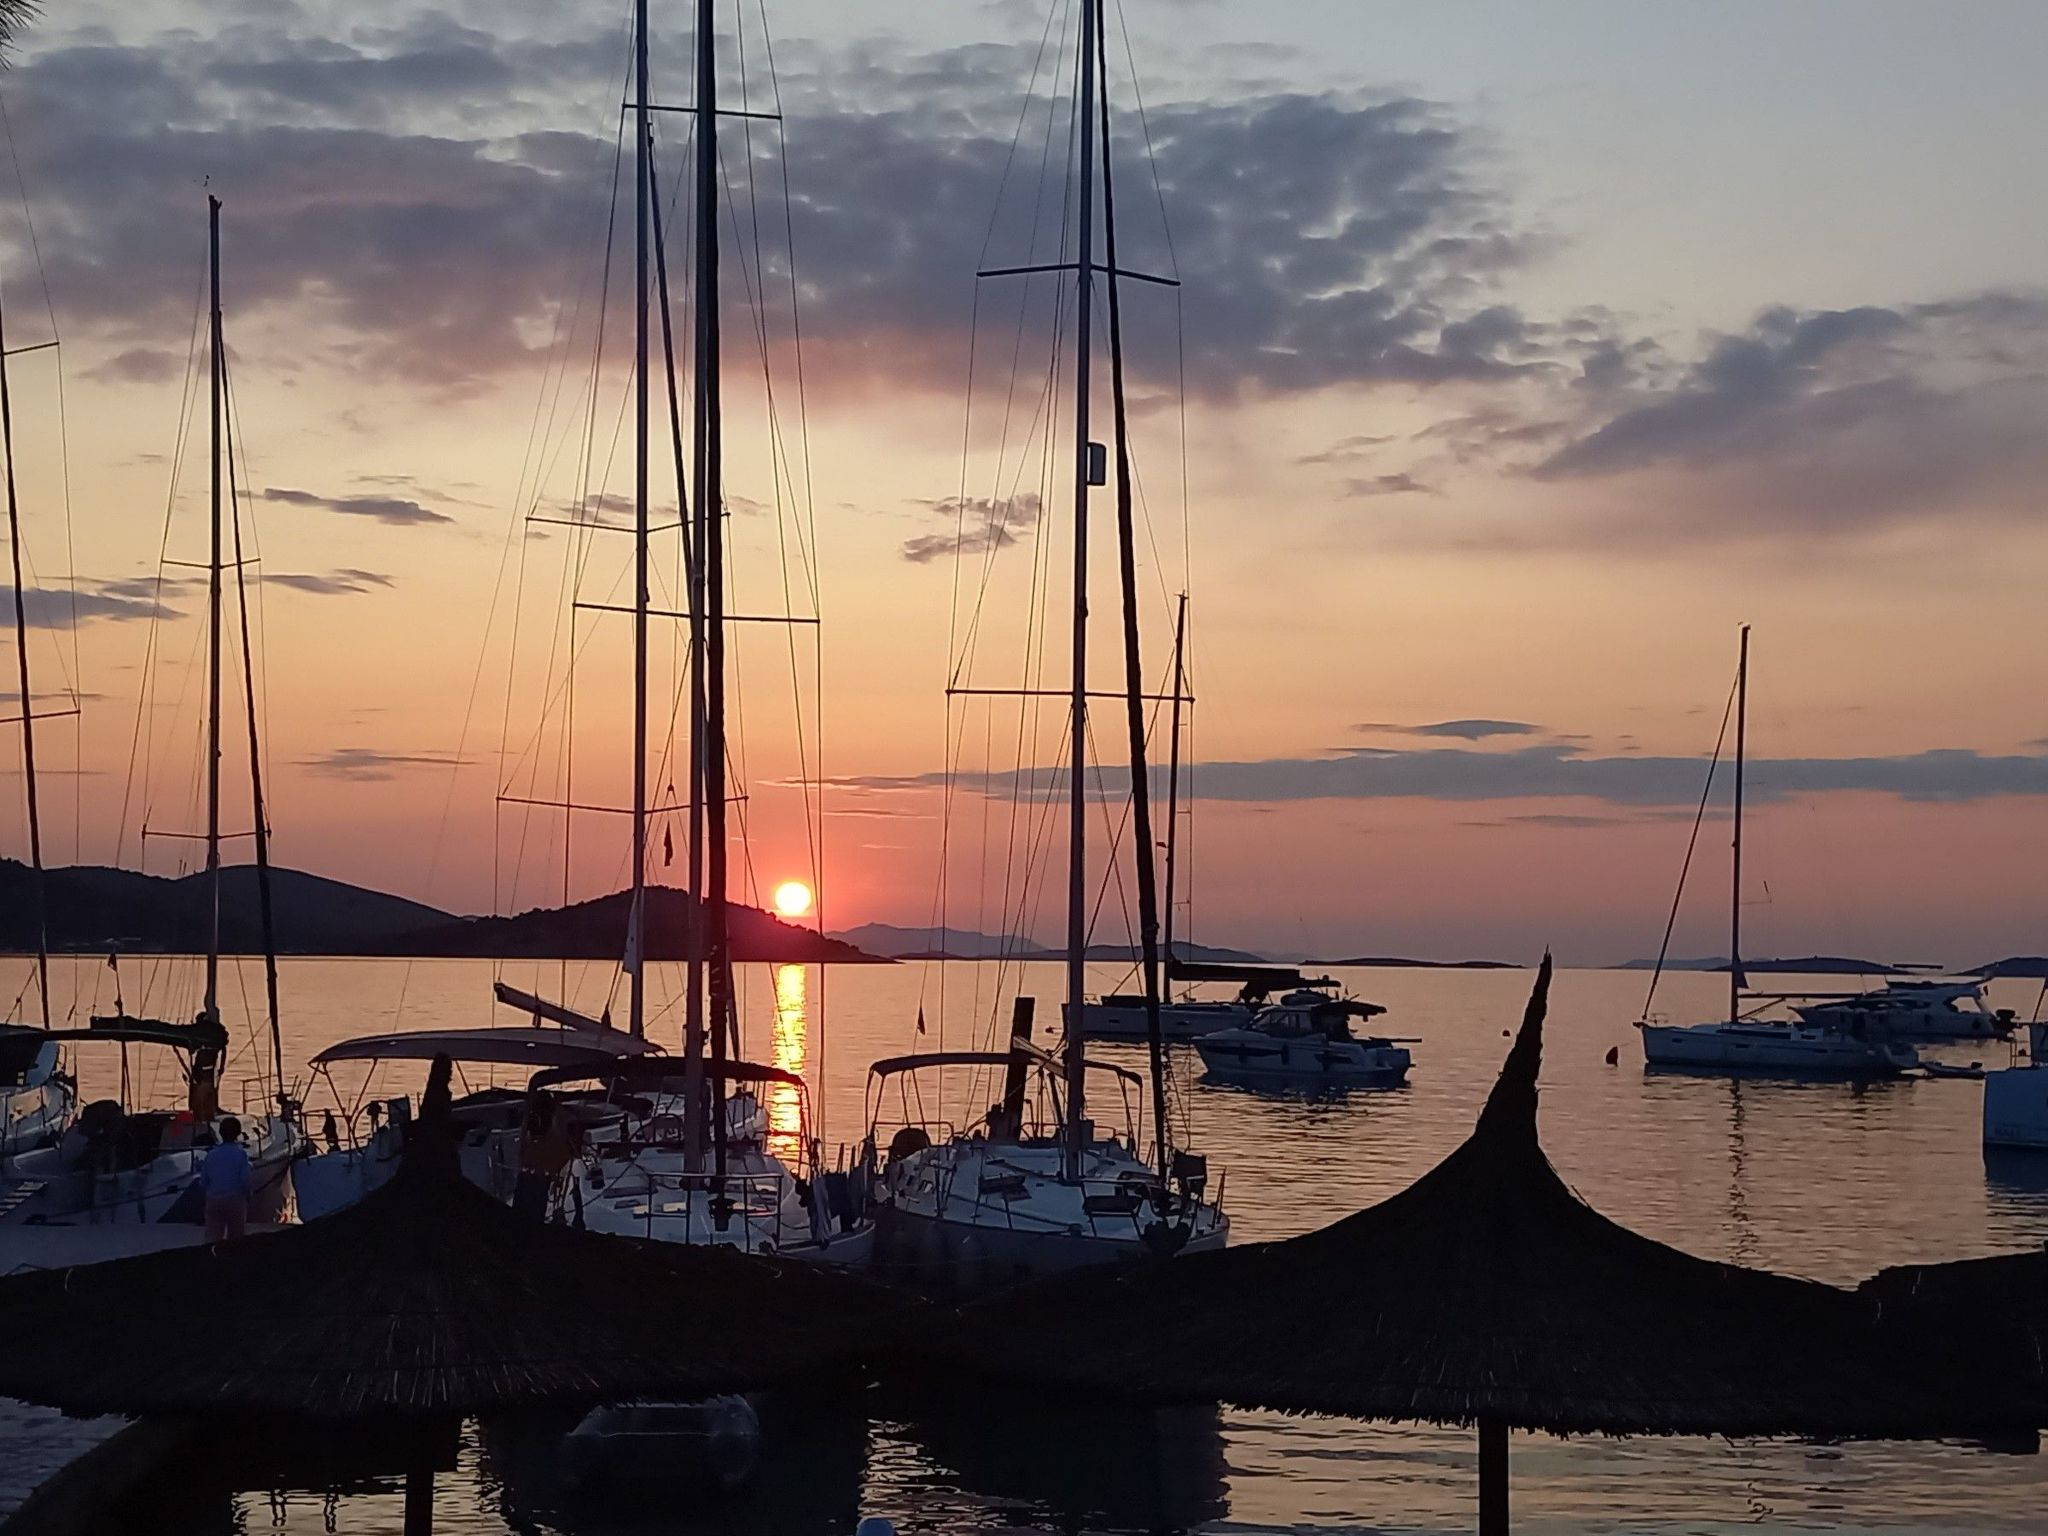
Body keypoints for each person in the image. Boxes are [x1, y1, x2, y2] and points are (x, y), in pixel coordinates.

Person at [201, 1116, 253, 1241]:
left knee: (212, 1236)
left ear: (220, 1133)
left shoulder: (211, 1155)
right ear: (238, 1133)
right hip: (235, 1200)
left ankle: (211, 1258)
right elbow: (244, 1180)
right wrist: (249, 1195)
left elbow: (204, 1181)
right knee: (236, 1237)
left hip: (214, 1199)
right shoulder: (241, 1154)